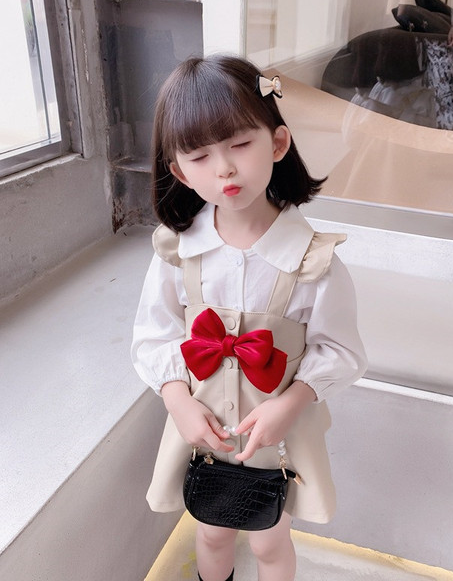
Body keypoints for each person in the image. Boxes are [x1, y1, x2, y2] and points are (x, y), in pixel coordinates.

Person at [131, 55, 368, 581]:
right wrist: (178, 403)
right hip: (203, 432)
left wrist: (292, 403)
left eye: (239, 144)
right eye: (200, 155)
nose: (224, 169)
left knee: (269, 539)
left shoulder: (313, 261)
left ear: (277, 143)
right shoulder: (177, 253)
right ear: (179, 171)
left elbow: (342, 351)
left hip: (274, 439)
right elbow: (153, 337)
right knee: (210, 533)